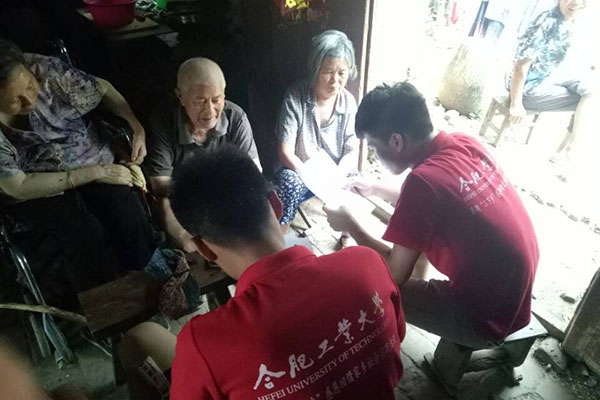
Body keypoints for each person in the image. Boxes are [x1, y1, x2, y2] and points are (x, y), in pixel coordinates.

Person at [118, 145, 405, 400]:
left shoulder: (205, 342)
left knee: (139, 338)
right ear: (276, 204)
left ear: (204, 249)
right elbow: (396, 338)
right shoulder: (367, 265)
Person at [324, 82, 539, 352]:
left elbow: (394, 273)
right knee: (417, 239)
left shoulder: (422, 184)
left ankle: (379, 351)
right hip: (514, 295)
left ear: (396, 141)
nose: (375, 156)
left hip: (486, 320)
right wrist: (375, 188)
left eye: (374, 148)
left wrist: (351, 226)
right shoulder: (463, 143)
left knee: (367, 280)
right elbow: (436, 198)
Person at [0, 39, 155, 304]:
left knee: (126, 210)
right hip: (38, 185)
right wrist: (94, 173)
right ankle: (109, 307)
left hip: (87, 155)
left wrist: (134, 124)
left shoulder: (47, 71)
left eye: (30, 86)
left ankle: (153, 281)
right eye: (15, 100)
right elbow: (18, 185)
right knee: (84, 235)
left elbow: (104, 90)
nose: (29, 102)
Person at [145, 58, 261, 253]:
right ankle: (189, 245)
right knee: (165, 206)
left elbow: (253, 171)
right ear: (180, 96)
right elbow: (160, 185)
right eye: (199, 102)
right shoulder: (163, 121)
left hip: (222, 193)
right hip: (181, 197)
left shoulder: (236, 116)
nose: (209, 111)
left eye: (216, 100)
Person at [275, 30, 359, 241]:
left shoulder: (348, 102)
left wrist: (338, 175)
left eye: (342, 73)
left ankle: (346, 235)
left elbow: (351, 149)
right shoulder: (295, 97)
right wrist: (310, 176)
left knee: (355, 181)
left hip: (333, 172)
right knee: (289, 183)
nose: (335, 81)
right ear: (315, 70)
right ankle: (280, 237)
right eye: (328, 72)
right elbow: (285, 152)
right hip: (301, 169)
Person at [507, 0, 592, 162]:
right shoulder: (546, 21)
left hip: (550, 79)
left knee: (592, 90)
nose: (575, 3)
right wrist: (516, 103)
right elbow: (521, 66)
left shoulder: (572, 21)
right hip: (528, 88)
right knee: (589, 100)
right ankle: (566, 152)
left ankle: (567, 149)